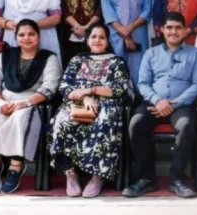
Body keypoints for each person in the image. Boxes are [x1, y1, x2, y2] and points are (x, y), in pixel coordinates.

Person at [123, 12, 197, 199]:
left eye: (178, 27)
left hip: (182, 104)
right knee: (136, 124)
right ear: (162, 30)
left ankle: (177, 179)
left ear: (185, 31)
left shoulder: (195, 54)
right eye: (169, 27)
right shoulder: (151, 54)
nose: (173, 31)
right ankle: (146, 178)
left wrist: (174, 102)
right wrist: (158, 100)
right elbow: (142, 83)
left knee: (186, 125)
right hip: (154, 103)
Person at [47, 22, 133, 198]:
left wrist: (90, 91)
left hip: (107, 104)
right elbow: (64, 87)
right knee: (62, 121)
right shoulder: (77, 60)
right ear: (87, 40)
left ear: (108, 41)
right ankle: (70, 175)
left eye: (102, 37)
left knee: (105, 120)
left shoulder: (117, 61)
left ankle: (97, 177)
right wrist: (84, 97)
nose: (97, 40)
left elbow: (118, 88)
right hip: (77, 103)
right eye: (93, 37)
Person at [0, 19, 61, 194]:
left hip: (31, 102)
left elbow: (49, 88)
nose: (26, 38)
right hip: (3, 100)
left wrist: (23, 103)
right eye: (21, 34)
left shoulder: (49, 58)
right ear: (16, 37)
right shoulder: (5, 56)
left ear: (39, 36)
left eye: (31, 34)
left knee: (21, 118)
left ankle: (15, 167)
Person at [101, 0, 152, 89]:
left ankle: (137, 105)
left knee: (139, 71)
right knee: (116, 70)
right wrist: (122, 31)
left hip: (138, 34)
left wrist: (130, 28)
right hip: (115, 34)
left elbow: (147, 9)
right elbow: (107, 8)